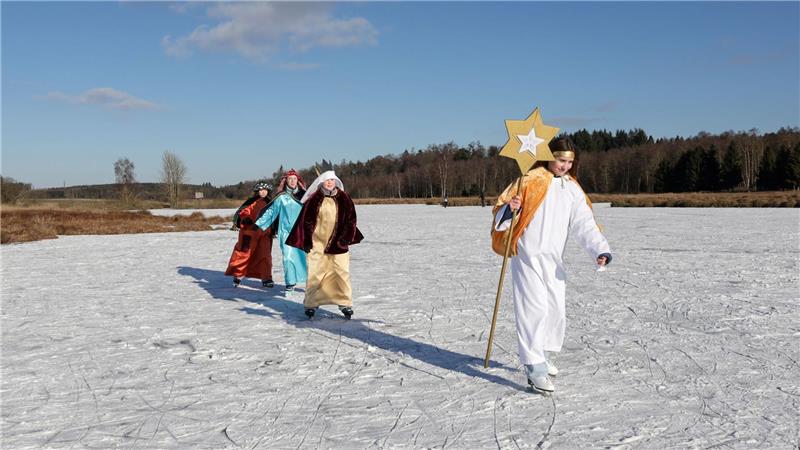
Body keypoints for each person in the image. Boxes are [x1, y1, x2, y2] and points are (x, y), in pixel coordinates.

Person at [491, 137, 612, 393]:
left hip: (553, 260)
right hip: (527, 256)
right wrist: (510, 209)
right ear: (548, 156)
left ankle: (543, 354)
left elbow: (584, 223)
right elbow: (500, 216)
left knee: (554, 308)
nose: (565, 166)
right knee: (533, 309)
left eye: (569, 162)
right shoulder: (529, 180)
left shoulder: (571, 188)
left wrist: (599, 249)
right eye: (561, 160)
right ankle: (534, 367)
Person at [286, 170, 363, 319]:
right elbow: (306, 221)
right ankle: (311, 304)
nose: (330, 183)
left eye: (332, 181)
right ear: (321, 182)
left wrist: (346, 238)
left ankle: (344, 303)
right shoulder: (314, 198)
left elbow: (351, 219)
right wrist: (307, 240)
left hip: (338, 243)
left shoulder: (343, 197)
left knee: (341, 272)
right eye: (327, 181)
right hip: (317, 243)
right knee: (315, 273)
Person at [254, 169, 308, 292]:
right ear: (286, 181)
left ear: (298, 181)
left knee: (303, 257)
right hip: (286, 232)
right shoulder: (281, 197)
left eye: (295, 179)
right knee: (287, 257)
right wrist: (259, 223)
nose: (293, 181)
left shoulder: (305, 196)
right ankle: (290, 282)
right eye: (290, 179)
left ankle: (308, 280)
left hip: (302, 232)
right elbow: (271, 211)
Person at [225, 181, 275, 288]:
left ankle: (266, 278)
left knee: (265, 255)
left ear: (268, 191)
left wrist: (275, 229)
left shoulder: (272, 203)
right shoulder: (251, 202)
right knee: (245, 253)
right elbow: (243, 212)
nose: (262, 192)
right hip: (251, 232)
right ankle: (238, 275)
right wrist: (246, 219)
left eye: (265, 190)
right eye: (260, 190)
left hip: (266, 234)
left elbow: (276, 217)